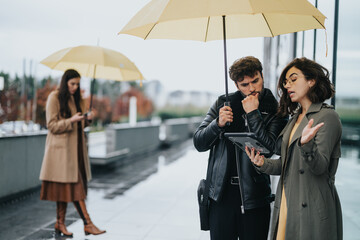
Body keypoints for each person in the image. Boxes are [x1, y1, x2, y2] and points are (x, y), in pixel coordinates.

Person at [245, 57, 342, 240]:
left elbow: (320, 167)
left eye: (294, 79)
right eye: (286, 82)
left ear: (311, 80)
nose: (288, 85)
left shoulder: (328, 117)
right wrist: (262, 163)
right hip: (287, 201)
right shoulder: (294, 119)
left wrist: (307, 145)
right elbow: (287, 164)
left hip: (311, 207)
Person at [193, 56, 288, 240]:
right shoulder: (223, 103)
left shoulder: (276, 109)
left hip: (255, 198)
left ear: (262, 76)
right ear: (236, 85)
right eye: (244, 84)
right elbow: (199, 142)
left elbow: (268, 149)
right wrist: (217, 124)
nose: (252, 89)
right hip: (220, 196)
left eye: (255, 81)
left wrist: (253, 114)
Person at [39, 69, 106, 237]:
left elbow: (80, 126)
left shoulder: (78, 100)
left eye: (77, 84)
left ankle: (60, 223)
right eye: (72, 84)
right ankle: (88, 224)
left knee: (64, 189)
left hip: (76, 151)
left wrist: (87, 119)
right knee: (77, 189)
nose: (75, 87)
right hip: (60, 153)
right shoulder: (54, 98)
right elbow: (52, 126)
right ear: (65, 82)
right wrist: (71, 120)